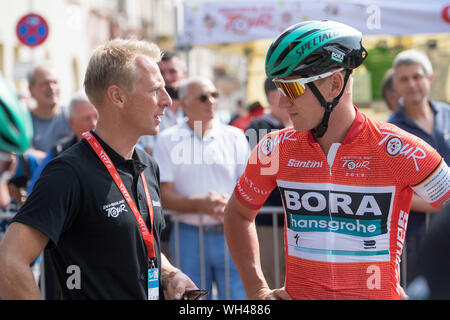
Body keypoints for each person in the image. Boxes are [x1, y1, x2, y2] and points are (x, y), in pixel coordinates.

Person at [223, 20, 450, 300]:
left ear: (334, 85)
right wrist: (257, 290)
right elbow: (237, 214)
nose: (283, 103)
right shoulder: (274, 148)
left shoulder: (398, 149)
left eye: (292, 89)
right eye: (280, 89)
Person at [0, 38, 197, 300]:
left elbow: (140, 243)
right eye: (154, 90)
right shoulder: (67, 172)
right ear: (117, 96)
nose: (167, 100)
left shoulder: (148, 165)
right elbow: (9, 262)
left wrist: (170, 275)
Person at [153, 76, 249, 300]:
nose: (211, 101)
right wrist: (202, 205)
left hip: (230, 234)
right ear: (184, 103)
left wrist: (228, 206)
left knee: (237, 299)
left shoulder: (234, 136)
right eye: (204, 97)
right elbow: (163, 196)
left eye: (215, 95)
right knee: (192, 301)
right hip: (188, 237)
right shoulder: (167, 140)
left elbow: (247, 187)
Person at [388, 49, 450, 287]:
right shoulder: (391, 130)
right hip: (414, 234)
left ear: (430, 78)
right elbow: (391, 185)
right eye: (404, 79)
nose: (412, 84)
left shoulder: (447, 113)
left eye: (417, 76)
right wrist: (440, 206)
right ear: (396, 84)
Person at [244, 78, 292, 289]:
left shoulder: (302, 125)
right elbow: (268, 170)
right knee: (273, 281)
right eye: (290, 91)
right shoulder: (258, 127)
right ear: (274, 96)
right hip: (268, 223)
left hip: (295, 223)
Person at [28, 92, 98, 193]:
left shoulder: (117, 149)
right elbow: (34, 192)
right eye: (86, 118)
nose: (94, 123)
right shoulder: (58, 152)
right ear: (71, 123)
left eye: (96, 116)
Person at [139, 50, 187, 155]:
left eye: (172, 71)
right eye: (161, 73)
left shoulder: (196, 107)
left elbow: (201, 145)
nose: (167, 78)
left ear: (184, 74)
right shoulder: (148, 109)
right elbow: (150, 151)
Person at [27, 65, 72, 159]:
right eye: (45, 83)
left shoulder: (72, 116)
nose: (51, 87)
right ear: (31, 89)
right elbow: (21, 152)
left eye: (55, 82)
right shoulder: (25, 122)